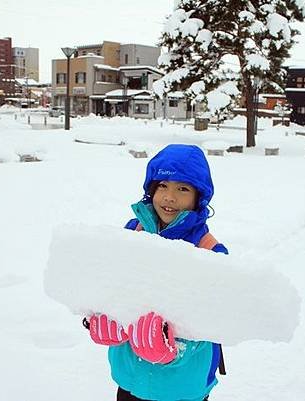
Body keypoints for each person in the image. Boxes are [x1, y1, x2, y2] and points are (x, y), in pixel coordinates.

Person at [85, 144, 228, 401]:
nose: (169, 197)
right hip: (129, 378)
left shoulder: (209, 251)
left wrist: (177, 348)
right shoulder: (132, 231)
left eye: (182, 189)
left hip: (182, 387)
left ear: (199, 197)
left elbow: (216, 321)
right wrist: (100, 315)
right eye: (163, 185)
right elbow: (110, 284)